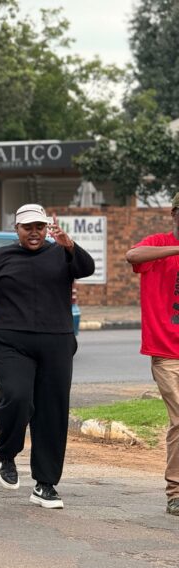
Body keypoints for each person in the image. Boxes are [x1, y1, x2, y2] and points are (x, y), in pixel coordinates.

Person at [0, 204, 95, 509]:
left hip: (56, 342)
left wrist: (70, 245)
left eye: (39, 227)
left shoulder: (62, 253)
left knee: (52, 413)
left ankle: (45, 485)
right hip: (10, 342)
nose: (34, 233)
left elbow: (86, 269)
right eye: (27, 228)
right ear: (16, 229)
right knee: (17, 399)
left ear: (47, 228)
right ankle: (7, 452)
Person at [125, 193, 179, 517]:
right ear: (174, 214)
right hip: (166, 353)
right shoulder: (159, 244)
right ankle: (175, 492)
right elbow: (133, 254)